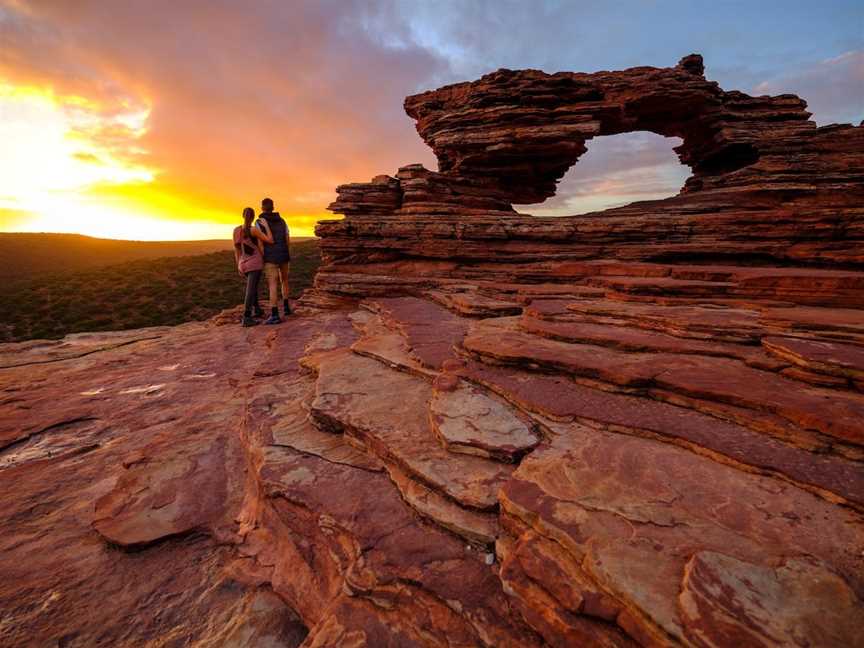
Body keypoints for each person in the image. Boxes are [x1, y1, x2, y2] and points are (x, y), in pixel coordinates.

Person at [233, 206, 273, 327]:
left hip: (243, 263)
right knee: (251, 289)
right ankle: (246, 317)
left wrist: (238, 265)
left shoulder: (236, 230)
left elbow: (237, 249)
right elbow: (269, 240)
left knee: (253, 287)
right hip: (255, 262)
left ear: (242, 215)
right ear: (253, 217)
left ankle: (257, 309)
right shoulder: (253, 230)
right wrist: (266, 226)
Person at [257, 197, 291, 324]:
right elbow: (287, 238)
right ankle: (287, 308)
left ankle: (275, 314)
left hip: (270, 257)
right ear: (273, 207)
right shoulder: (282, 221)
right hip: (284, 254)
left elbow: (260, 242)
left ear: (262, 207)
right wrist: (286, 252)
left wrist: (263, 257)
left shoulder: (259, 222)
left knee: (273, 284)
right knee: (285, 280)